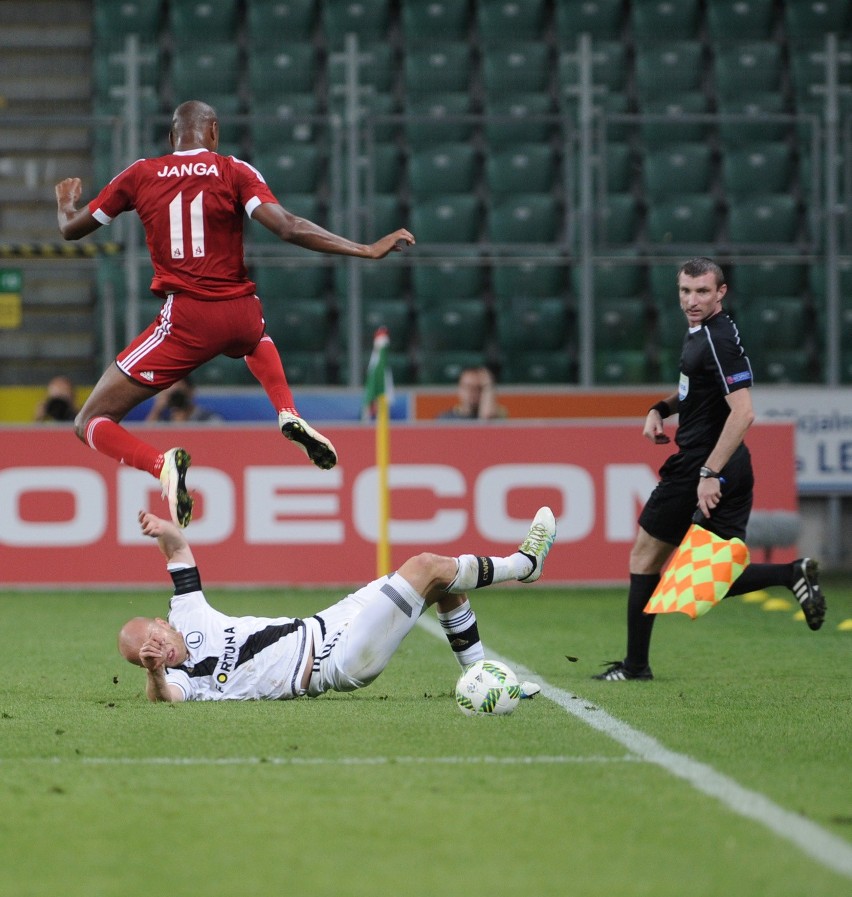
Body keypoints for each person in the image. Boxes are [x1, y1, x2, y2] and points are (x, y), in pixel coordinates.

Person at [55, 99, 415, 528]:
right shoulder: (234, 170)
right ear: (213, 132)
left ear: (172, 138)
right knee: (256, 337)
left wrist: (65, 203)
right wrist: (365, 248)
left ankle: (160, 466)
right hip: (240, 310)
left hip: (186, 319)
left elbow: (72, 230)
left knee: (89, 420)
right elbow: (288, 226)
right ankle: (288, 411)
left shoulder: (139, 174)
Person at [594, 257, 826, 682]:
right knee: (708, 580)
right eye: (685, 291)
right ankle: (791, 572)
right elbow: (696, 392)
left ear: (721, 292)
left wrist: (707, 474)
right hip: (734, 464)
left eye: (702, 291)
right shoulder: (707, 333)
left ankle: (635, 666)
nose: (692, 300)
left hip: (702, 466)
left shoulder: (717, 339)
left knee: (645, 557)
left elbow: (744, 414)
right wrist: (660, 408)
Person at [118, 506, 556, 703]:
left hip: (328, 622)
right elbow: (166, 700)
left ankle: (485, 681)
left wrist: (163, 528)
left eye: (154, 638)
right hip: (334, 663)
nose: (157, 648)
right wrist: (155, 672)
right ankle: (523, 565)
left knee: (441, 583)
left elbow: (178, 553)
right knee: (423, 566)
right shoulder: (179, 679)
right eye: (147, 654)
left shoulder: (188, 615)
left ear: (164, 622)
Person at [437, 365, 508, 420]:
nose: (472, 392)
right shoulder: (445, 419)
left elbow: (488, 419)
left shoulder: (498, 413)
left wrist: (488, 385)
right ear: (459, 389)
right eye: (468, 387)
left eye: (477, 388)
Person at [143, 377, 221, 423]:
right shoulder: (163, 420)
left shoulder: (208, 419)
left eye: (179, 392)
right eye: (172, 393)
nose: (176, 398)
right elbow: (147, 437)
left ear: (191, 392)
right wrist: (157, 410)